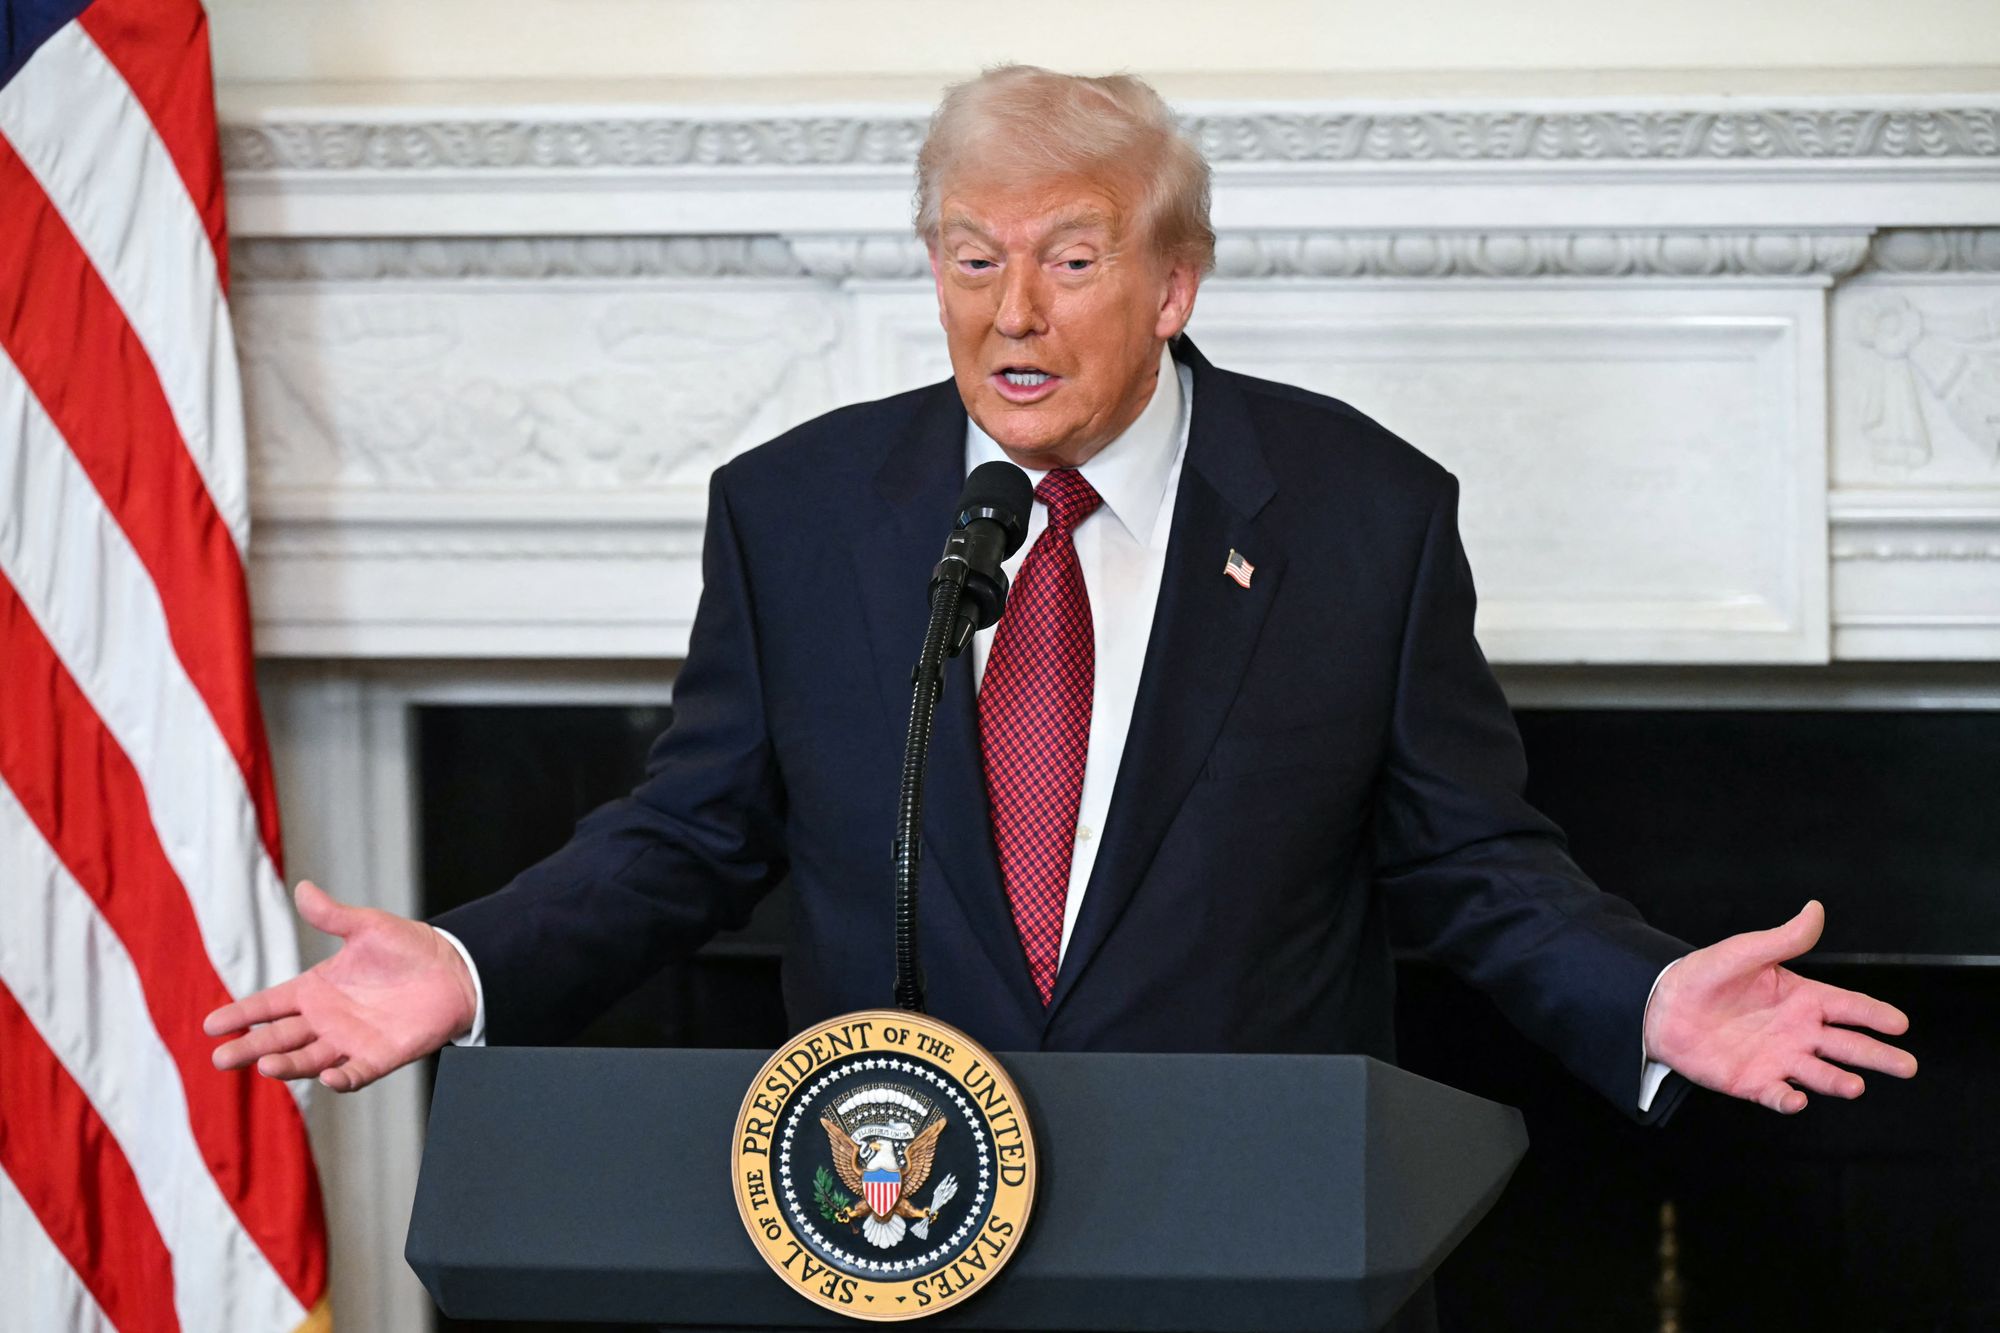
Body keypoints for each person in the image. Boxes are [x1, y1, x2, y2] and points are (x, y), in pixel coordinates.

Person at [208, 66, 1914, 1130]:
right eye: (972, 256)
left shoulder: (1362, 514)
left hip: (1244, 1233)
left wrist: (1641, 993)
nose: (1012, 310)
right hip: (902, 1213)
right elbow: (692, 831)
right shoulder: (800, 511)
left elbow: (1468, 862)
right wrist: (467, 958)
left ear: (1175, 282)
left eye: (1072, 258)